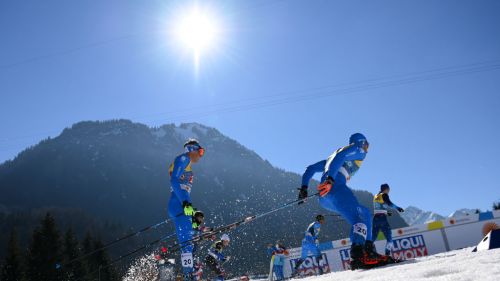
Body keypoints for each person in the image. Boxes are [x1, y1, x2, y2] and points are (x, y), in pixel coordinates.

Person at [299, 133, 391, 270]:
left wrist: (304, 188)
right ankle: (359, 255)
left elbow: (310, 169)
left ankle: (367, 249)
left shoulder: (332, 157)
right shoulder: (358, 149)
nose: (367, 149)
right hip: (336, 188)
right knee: (359, 217)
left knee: (364, 213)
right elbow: (340, 156)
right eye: (367, 144)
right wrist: (330, 179)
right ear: (361, 142)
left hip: (324, 197)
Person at [168, 139, 205, 280]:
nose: (201, 156)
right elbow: (174, 181)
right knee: (187, 246)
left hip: (183, 204)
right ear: (192, 149)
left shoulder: (187, 164)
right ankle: (188, 275)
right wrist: (185, 202)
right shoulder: (183, 159)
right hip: (179, 204)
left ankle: (191, 271)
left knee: (198, 219)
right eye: (200, 152)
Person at [372, 183, 404, 255]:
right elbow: (390, 204)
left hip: (375, 219)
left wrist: (387, 213)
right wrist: (398, 208)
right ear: (386, 189)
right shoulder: (384, 195)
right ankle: (387, 254)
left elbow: (379, 208)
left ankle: (366, 252)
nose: (389, 191)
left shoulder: (376, 196)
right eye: (389, 189)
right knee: (389, 238)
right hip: (382, 219)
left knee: (373, 237)